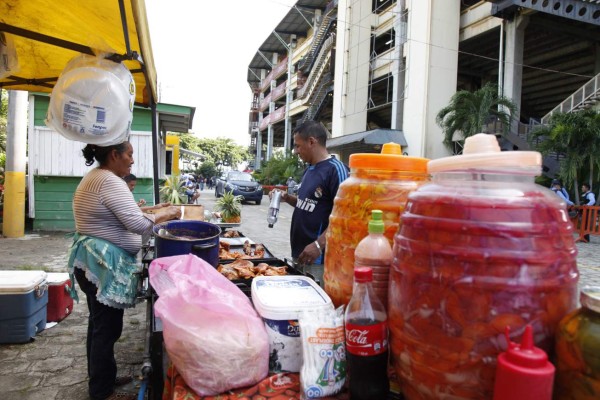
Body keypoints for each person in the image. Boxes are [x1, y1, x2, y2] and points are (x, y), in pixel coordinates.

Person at [68, 141, 181, 400]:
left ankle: (103, 377)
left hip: (94, 261)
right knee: (106, 328)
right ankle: (100, 389)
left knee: (99, 325)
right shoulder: (108, 180)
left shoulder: (99, 177)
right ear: (114, 155)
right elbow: (135, 223)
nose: (132, 160)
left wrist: (155, 210)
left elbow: (126, 212)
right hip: (101, 264)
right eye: (129, 154)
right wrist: (170, 213)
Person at [271, 121, 349, 285]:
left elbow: (345, 216)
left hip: (319, 257)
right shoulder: (309, 169)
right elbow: (307, 204)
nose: (296, 151)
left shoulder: (336, 169)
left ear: (312, 141)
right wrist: (286, 197)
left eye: (298, 146)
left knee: (316, 301)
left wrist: (318, 245)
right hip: (301, 252)